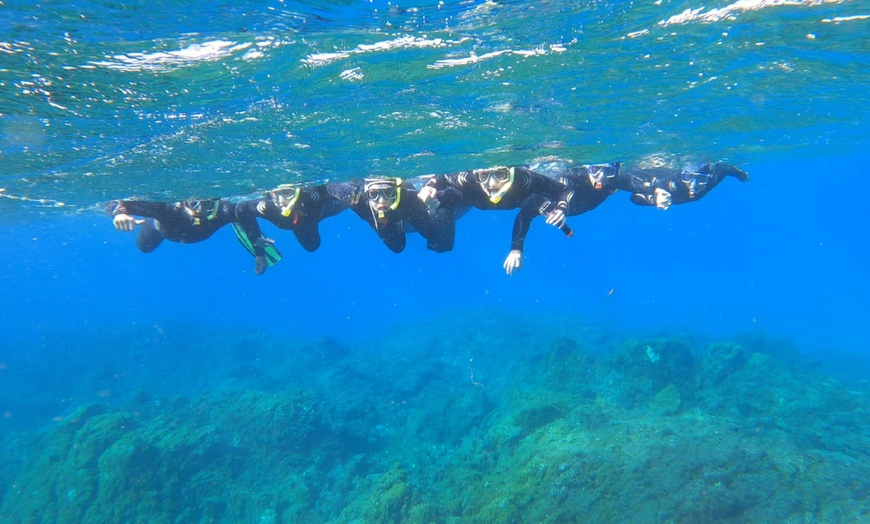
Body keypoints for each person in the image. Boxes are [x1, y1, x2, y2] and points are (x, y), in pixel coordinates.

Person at [420, 166, 574, 275]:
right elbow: (443, 176)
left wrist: (562, 209)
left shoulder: (524, 179)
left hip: (491, 200)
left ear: (512, 173)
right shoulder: (468, 179)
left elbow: (565, 190)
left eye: (500, 175)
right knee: (441, 244)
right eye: (483, 175)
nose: (491, 184)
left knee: (537, 202)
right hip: (466, 199)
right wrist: (429, 187)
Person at [107, 198, 281, 274]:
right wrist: (119, 214)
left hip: (186, 232)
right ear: (183, 203)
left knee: (240, 216)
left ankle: (236, 226)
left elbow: (246, 216)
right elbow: (115, 203)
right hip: (158, 228)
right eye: (193, 204)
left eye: (206, 204)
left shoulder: (225, 211)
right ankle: (150, 219)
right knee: (144, 248)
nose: (199, 210)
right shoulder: (169, 210)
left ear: (217, 203)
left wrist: (259, 252)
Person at [233, 183, 349, 274]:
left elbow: (334, 189)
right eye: (274, 194)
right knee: (312, 245)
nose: (280, 200)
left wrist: (354, 194)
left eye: (286, 192)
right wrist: (257, 244)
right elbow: (241, 209)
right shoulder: (267, 207)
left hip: (321, 212)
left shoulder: (310, 198)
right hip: (303, 226)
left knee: (351, 201)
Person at [348, 177, 454, 254]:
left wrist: (437, 195)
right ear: (367, 194)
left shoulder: (409, 198)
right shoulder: (361, 201)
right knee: (397, 247)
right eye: (373, 194)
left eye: (388, 192)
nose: (381, 200)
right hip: (392, 220)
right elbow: (336, 188)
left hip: (412, 211)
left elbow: (440, 240)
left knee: (440, 244)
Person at [618, 162, 750, 210]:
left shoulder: (707, 184)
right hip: (648, 175)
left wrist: (653, 200)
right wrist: (741, 175)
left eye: (701, 180)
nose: (693, 185)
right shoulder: (671, 183)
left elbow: (635, 198)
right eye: (688, 178)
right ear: (681, 175)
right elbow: (725, 168)